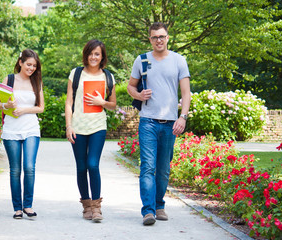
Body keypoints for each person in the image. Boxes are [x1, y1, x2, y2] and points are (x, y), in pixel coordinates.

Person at [127, 22, 191, 225]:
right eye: (155, 37)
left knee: (163, 168)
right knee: (147, 166)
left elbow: (186, 93)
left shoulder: (179, 60)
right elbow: (130, 86)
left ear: (168, 37)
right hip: (148, 121)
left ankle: (159, 205)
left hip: (170, 122)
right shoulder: (142, 60)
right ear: (150, 39)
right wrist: (139, 94)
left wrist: (183, 116)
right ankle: (148, 211)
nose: (159, 40)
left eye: (162, 36)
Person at [65, 39, 117, 222]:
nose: (93, 57)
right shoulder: (76, 73)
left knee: (92, 165)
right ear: (86, 54)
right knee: (81, 167)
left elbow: (113, 105)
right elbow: (69, 102)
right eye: (91, 53)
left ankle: (96, 208)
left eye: (97, 54)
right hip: (78, 127)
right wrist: (69, 126)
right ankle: (86, 206)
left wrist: (102, 103)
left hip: (98, 127)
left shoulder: (108, 77)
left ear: (102, 56)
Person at [0, 49, 44, 219]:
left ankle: (28, 205)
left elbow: (41, 108)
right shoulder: (10, 79)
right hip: (11, 130)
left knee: (29, 167)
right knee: (15, 170)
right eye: (29, 64)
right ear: (20, 62)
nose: (31, 68)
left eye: (34, 66)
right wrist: (7, 105)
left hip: (31, 128)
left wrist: (24, 110)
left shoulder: (36, 82)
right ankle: (17, 208)